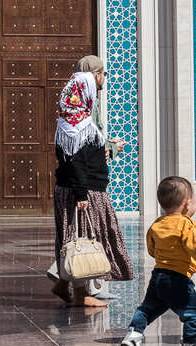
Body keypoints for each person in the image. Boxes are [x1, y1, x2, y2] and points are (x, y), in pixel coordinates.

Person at [49, 67, 135, 307]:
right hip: (83, 192)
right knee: (81, 238)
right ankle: (80, 295)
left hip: (86, 189)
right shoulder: (76, 127)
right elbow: (76, 162)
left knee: (77, 238)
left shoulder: (74, 123)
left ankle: (62, 284)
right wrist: (81, 194)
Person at [120, 177, 196, 346]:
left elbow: (152, 250)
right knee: (192, 315)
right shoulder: (188, 224)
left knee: (146, 310)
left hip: (159, 276)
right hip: (179, 279)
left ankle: (133, 337)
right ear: (187, 204)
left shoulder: (157, 224)